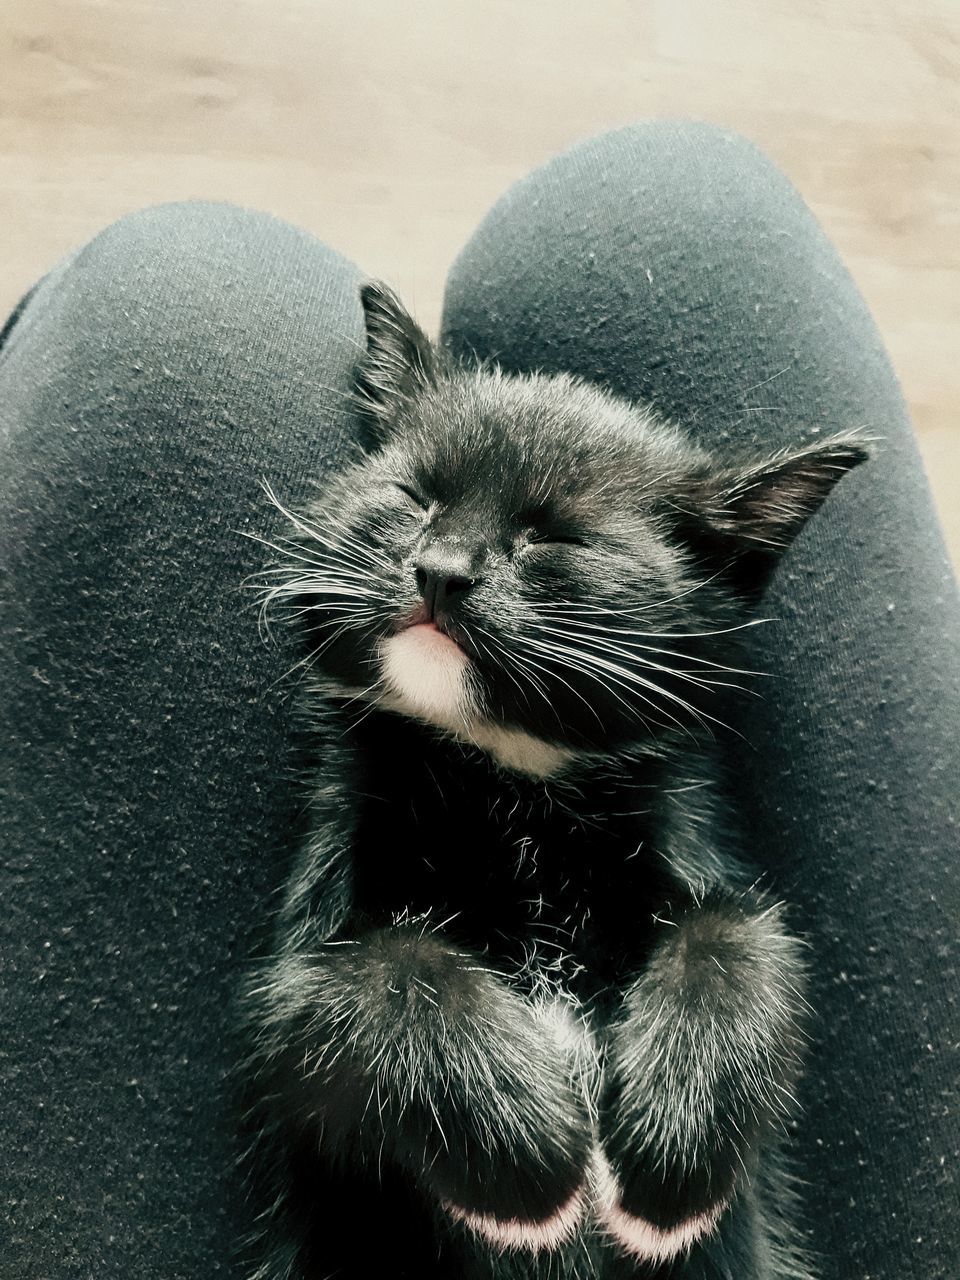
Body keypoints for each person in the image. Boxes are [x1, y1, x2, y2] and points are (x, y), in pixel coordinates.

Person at [1, 122, 957, 1280]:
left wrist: (725, 1005)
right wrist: (409, 1016)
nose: (443, 562)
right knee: (679, 210)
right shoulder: (371, 755)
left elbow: (727, 940)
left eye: (558, 538)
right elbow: (321, 1016)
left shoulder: (653, 770)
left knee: (185, 292)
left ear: (714, 573)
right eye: (415, 496)